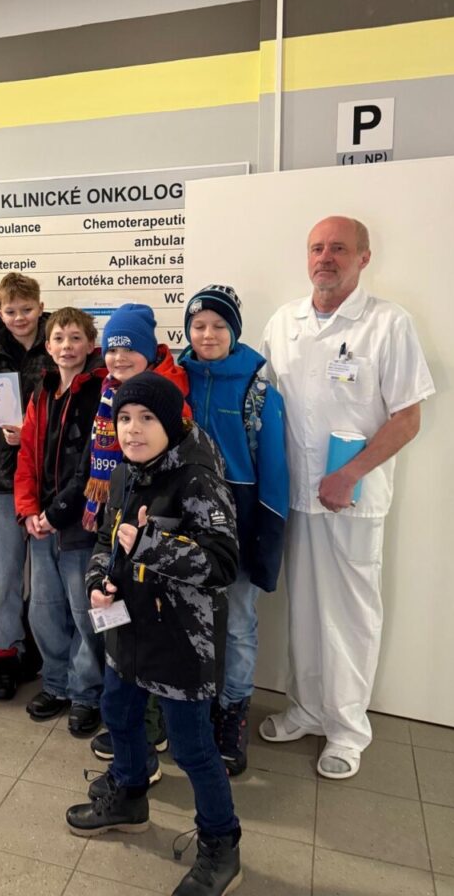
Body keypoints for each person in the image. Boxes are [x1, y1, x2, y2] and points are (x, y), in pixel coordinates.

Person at [259, 216, 435, 780]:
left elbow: (407, 417)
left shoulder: (388, 323)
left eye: (339, 248)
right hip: (296, 496)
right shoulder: (283, 322)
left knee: (351, 616)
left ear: (364, 257)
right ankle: (307, 710)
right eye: (317, 248)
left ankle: (347, 730)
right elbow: (264, 405)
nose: (325, 258)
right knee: (304, 612)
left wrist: (349, 473)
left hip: (353, 498)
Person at [66, 373, 242, 896]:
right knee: (118, 713)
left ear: (170, 423)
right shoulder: (125, 471)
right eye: (124, 418)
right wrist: (98, 582)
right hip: (127, 625)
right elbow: (106, 540)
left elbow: (223, 563)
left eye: (146, 419)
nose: (132, 429)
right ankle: (129, 797)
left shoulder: (197, 479)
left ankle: (221, 845)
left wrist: (149, 545)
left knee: (192, 749)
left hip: (183, 639)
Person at [179, 285, 288, 775]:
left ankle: (233, 713)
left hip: (239, 527)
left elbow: (275, 472)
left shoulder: (259, 392)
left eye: (219, 326)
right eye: (199, 325)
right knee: (188, 622)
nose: (208, 334)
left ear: (235, 332)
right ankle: (193, 708)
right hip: (184, 524)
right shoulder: (173, 379)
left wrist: (267, 539)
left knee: (238, 625)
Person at [82, 303, 191, 779]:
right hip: (120, 530)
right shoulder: (109, 393)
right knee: (122, 634)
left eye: (129, 349)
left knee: (147, 635)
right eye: (112, 349)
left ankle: (145, 737)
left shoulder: (166, 398)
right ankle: (133, 731)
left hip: (156, 538)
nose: (119, 357)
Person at [14, 307, 106, 735]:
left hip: (80, 523)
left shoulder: (102, 391)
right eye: (58, 338)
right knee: (44, 610)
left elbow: (92, 466)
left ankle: (87, 692)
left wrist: (56, 515)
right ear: (47, 346)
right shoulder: (42, 391)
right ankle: (56, 683)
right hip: (41, 523)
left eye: (75, 338)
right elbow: (27, 455)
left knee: (85, 613)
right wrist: (28, 510)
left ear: (90, 344)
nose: (66, 346)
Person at [0, 273, 53, 700]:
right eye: (11, 311)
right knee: (3, 573)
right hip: (2, 476)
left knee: (47, 576)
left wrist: (32, 434)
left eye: (27, 309)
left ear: (40, 307)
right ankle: (4, 652)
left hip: (49, 479)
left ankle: (44, 651)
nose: (19, 318)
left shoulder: (59, 343)